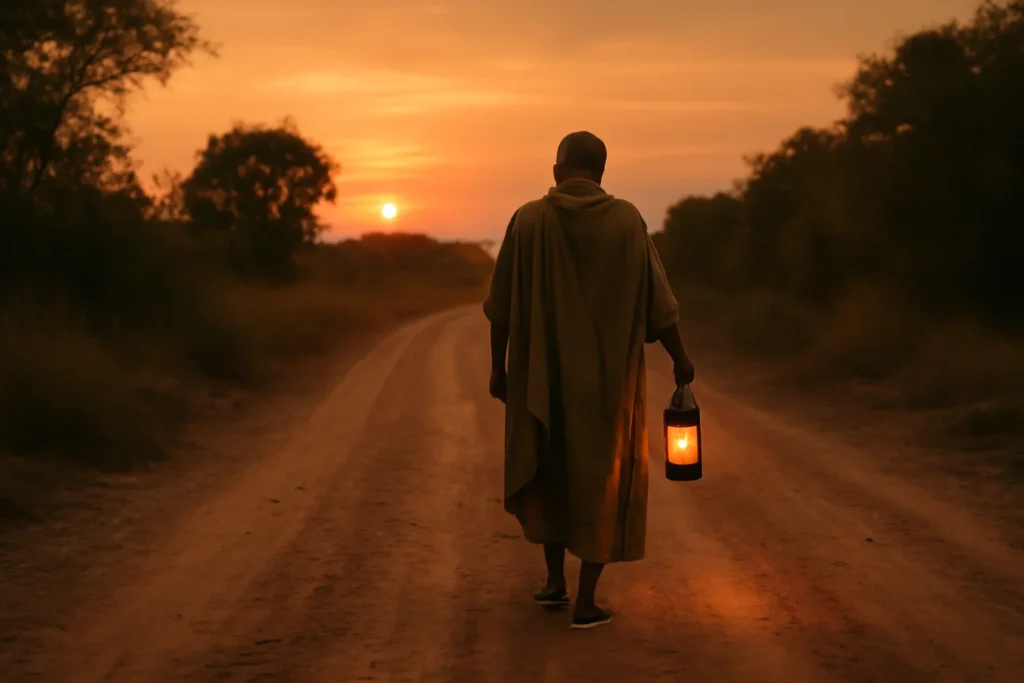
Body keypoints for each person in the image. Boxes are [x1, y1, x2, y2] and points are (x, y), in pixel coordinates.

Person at [483, 131, 696, 630]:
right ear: (602, 172)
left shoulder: (528, 219)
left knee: (551, 471)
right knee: (600, 482)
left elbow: (501, 306)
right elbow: (659, 306)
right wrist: (681, 359)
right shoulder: (627, 221)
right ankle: (584, 601)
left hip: (542, 380)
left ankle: (554, 583)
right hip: (606, 387)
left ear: (557, 171)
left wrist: (500, 367)